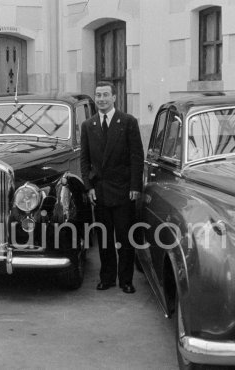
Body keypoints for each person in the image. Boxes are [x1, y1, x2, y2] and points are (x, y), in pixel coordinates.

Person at [80, 81, 144, 294]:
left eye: (106, 95)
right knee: (104, 238)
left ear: (114, 97)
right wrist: (88, 187)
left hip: (124, 190)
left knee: (125, 238)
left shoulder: (127, 122)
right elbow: (84, 160)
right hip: (100, 192)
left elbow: (137, 157)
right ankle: (106, 278)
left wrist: (136, 186)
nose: (101, 99)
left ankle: (126, 280)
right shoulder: (88, 125)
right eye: (98, 95)